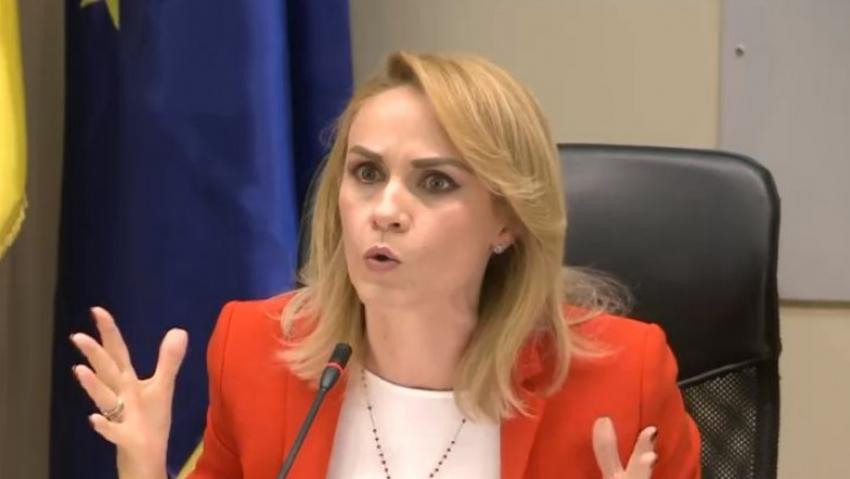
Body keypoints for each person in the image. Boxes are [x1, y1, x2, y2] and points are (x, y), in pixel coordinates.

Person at [70, 51, 701, 478]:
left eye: (435, 182)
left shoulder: (623, 380)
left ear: (506, 221)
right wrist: (144, 470)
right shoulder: (256, 352)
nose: (386, 209)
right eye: (367, 173)